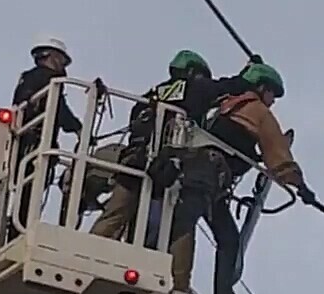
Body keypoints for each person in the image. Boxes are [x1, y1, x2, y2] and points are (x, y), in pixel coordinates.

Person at [164, 62, 316, 294]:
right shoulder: (258, 112)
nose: (273, 101)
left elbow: (232, 142)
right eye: (272, 94)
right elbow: (279, 155)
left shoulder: (223, 106)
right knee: (194, 227)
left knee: (219, 234)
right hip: (208, 177)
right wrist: (303, 188)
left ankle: (207, 292)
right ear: (261, 88)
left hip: (204, 177)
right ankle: (186, 288)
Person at [89, 49, 252, 240]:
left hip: (134, 161)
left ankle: (84, 252)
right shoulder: (196, 87)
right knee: (163, 227)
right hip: (164, 167)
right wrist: (249, 71)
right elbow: (231, 86)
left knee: (115, 215)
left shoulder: (152, 95)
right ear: (192, 72)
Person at [10, 36, 83, 237]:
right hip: (36, 144)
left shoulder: (27, 78)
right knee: (30, 194)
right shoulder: (50, 80)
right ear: (49, 56)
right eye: (60, 59)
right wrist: (78, 128)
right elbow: (58, 108)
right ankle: (21, 232)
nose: (62, 64)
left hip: (22, 146)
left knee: (23, 194)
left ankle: (16, 230)